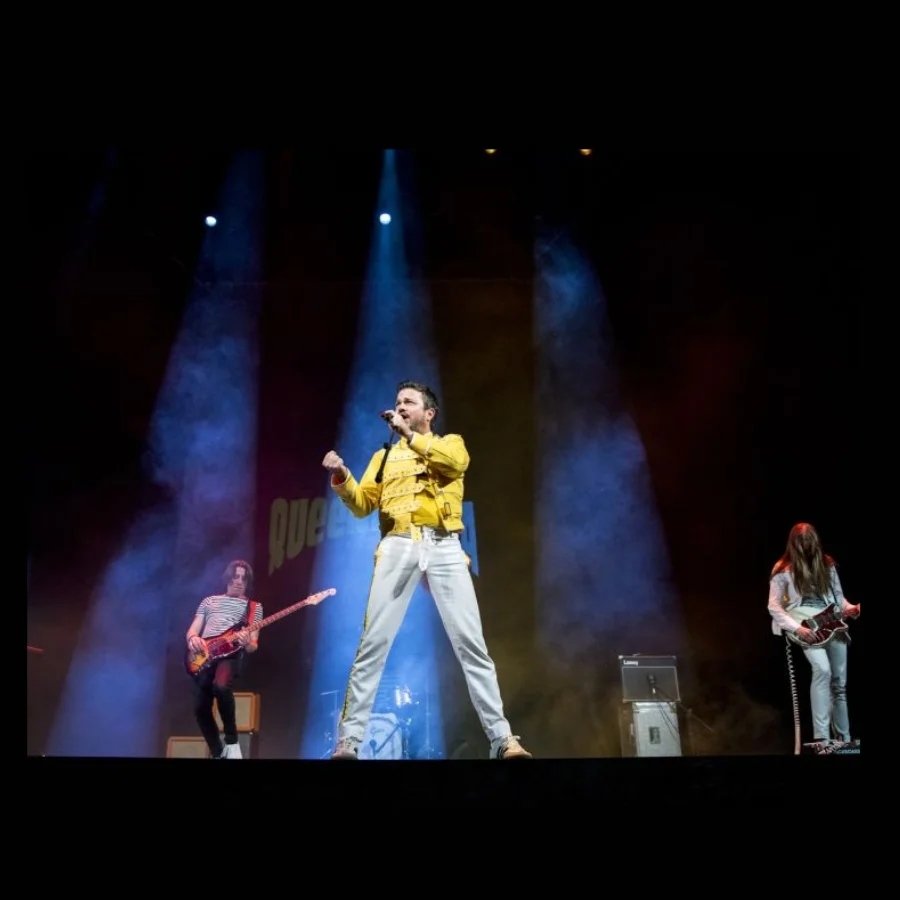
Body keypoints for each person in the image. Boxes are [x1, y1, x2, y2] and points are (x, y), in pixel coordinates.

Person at [321, 380, 532, 760]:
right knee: (373, 644)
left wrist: (409, 436)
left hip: (444, 545)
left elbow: (455, 465)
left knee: (471, 644)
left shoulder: (451, 443)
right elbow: (362, 504)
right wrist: (341, 476)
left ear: (429, 413)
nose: (400, 407)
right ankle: (348, 741)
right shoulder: (383, 457)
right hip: (398, 543)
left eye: (409, 402)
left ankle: (503, 739)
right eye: (397, 402)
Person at [767, 522, 860, 743]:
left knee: (839, 684)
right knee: (822, 670)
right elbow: (774, 606)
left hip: (833, 624)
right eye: (803, 542)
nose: (807, 546)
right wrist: (797, 628)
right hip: (806, 625)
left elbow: (839, 598)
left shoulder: (827, 564)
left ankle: (844, 738)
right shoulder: (783, 569)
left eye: (810, 541)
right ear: (794, 544)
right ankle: (822, 738)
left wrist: (852, 609)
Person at [185, 559, 263, 759]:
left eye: (244, 579)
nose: (239, 582)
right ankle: (218, 753)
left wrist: (246, 642)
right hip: (204, 656)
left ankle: (232, 742)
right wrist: (193, 639)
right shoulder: (209, 601)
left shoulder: (254, 608)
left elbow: (253, 645)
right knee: (200, 709)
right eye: (235, 577)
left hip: (230, 655)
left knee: (221, 686)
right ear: (228, 578)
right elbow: (193, 630)